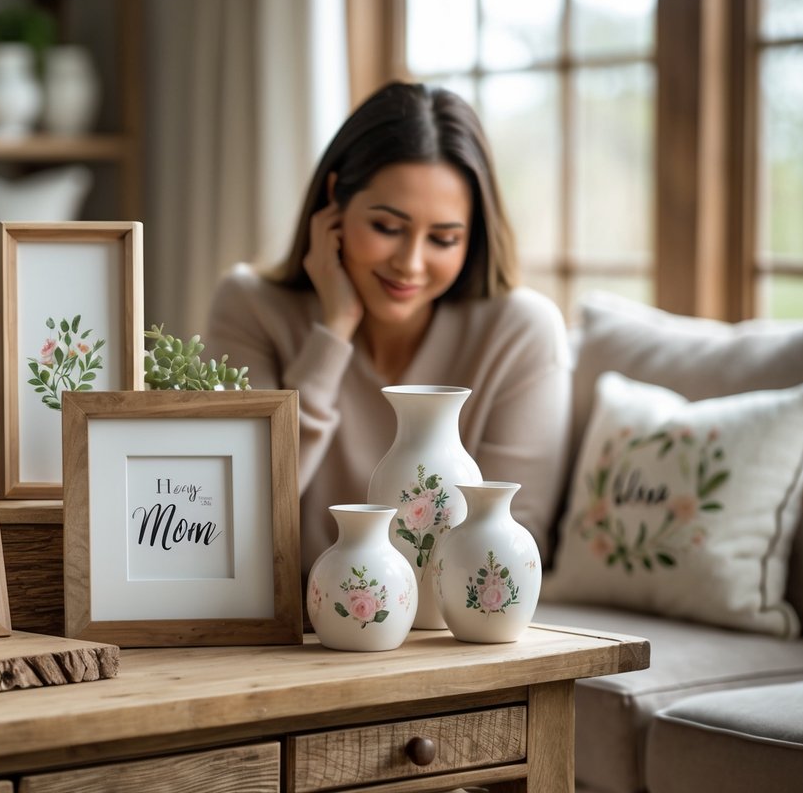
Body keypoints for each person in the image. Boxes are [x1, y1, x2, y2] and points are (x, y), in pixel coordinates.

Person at [206, 82, 571, 572]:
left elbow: (512, 549)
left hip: (450, 636)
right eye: (387, 228)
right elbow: (234, 516)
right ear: (335, 201)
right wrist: (334, 332)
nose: (410, 264)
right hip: (291, 633)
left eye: (443, 238)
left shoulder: (521, 330)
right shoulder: (249, 305)